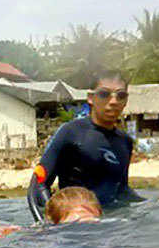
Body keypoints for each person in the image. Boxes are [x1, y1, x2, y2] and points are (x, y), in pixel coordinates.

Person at [27, 71, 142, 221]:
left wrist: (153, 204)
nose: (113, 101)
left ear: (126, 101)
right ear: (90, 98)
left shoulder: (125, 142)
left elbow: (122, 190)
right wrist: (47, 226)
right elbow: (38, 186)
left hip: (111, 224)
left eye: (120, 96)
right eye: (104, 94)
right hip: (77, 225)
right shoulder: (70, 132)